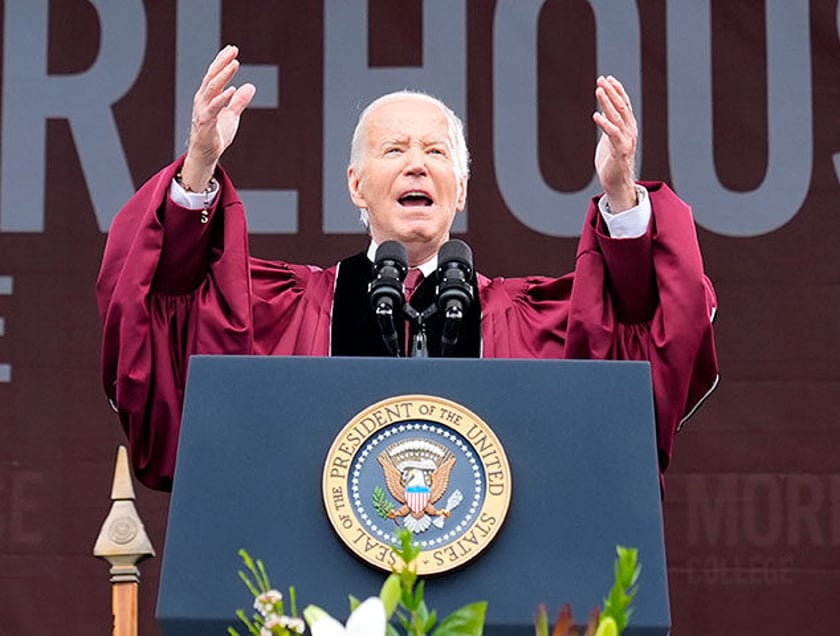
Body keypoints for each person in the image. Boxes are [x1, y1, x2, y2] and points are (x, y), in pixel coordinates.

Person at [97, 45, 718, 492]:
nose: (417, 165)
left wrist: (621, 198)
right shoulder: (282, 312)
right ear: (357, 185)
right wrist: (200, 166)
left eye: (436, 151)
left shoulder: (531, 326)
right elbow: (168, 306)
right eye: (394, 150)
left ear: (462, 187)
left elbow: (636, 340)